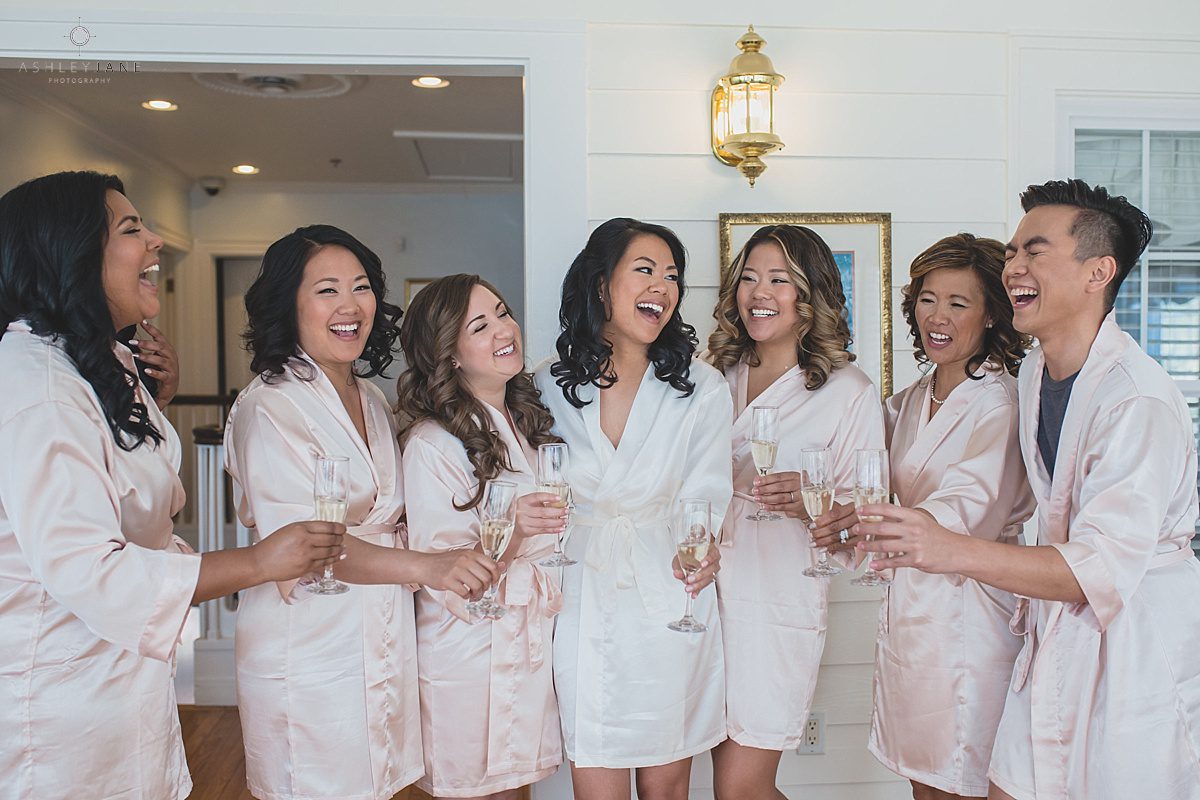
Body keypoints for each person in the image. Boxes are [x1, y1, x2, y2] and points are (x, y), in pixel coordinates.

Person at [0, 171, 342, 800]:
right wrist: (260, 560)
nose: (156, 241)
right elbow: (92, 570)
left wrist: (149, 402)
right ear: (71, 251)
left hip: (117, 690)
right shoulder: (39, 389)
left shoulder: (94, 366)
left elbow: (133, 504)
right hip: (56, 706)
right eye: (132, 229)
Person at [857, 180, 1200, 800]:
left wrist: (945, 546)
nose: (1013, 264)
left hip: (1135, 645)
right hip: (1053, 640)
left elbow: (1098, 568)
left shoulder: (1137, 401)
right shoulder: (1038, 372)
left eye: (1033, 251)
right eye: (1012, 252)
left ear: (1099, 271)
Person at [224, 226, 499, 800]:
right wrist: (431, 566)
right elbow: (304, 544)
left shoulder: (371, 398)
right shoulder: (271, 405)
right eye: (327, 290)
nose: (351, 306)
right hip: (308, 639)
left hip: (379, 632)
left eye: (361, 287)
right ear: (288, 304)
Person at [818, 233, 1034, 799]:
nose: (937, 316)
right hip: (911, 620)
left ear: (991, 314)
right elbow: (867, 480)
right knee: (924, 783)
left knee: (965, 776)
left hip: (971, 619)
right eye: (927, 299)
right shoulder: (908, 399)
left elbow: (962, 510)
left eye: (958, 303)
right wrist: (828, 509)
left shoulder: (1001, 405)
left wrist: (872, 520)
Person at [534, 218, 729, 800]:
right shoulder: (545, 384)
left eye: (672, 277)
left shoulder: (701, 385)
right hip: (580, 594)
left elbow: (707, 493)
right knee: (594, 764)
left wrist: (707, 544)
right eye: (644, 270)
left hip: (668, 590)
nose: (662, 288)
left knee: (667, 776)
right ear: (600, 285)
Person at [702, 224, 885, 800]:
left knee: (740, 789)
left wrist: (813, 504)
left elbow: (866, 516)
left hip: (773, 601)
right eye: (750, 278)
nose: (760, 292)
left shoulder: (847, 390)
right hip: (696, 593)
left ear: (811, 295)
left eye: (780, 280)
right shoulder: (711, 374)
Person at [397, 273, 567, 800]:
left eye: (502, 311)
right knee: (478, 788)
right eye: (480, 324)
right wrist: (514, 532)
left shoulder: (527, 424)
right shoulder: (432, 445)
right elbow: (447, 579)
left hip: (527, 638)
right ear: (448, 354)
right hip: (468, 653)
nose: (504, 328)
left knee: (517, 789)